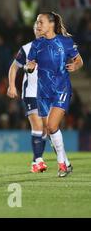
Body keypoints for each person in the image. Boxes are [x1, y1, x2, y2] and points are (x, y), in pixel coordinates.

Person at [25, 12, 83, 177]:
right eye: (36, 22)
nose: (37, 25)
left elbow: (79, 60)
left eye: (40, 22)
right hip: (42, 91)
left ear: (51, 24)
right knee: (49, 130)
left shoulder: (65, 42)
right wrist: (28, 67)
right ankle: (67, 161)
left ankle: (62, 165)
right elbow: (30, 63)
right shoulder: (37, 44)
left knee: (51, 126)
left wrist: (75, 66)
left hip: (61, 88)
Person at [7, 24, 48, 173]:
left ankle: (35, 160)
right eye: (36, 29)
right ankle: (38, 160)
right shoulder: (26, 48)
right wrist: (12, 85)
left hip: (48, 94)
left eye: (41, 28)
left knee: (46, 129)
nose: (39, 31)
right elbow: (14, 67)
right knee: (37, 126)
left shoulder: (55, 47)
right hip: (31, 93)